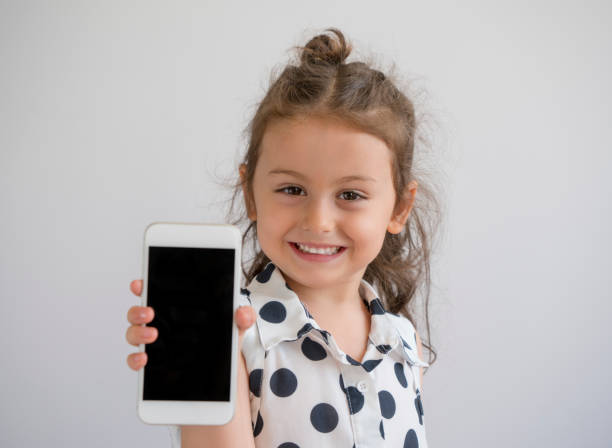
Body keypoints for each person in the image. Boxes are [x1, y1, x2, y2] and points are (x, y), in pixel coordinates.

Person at [126, 27, 441, 447]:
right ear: (250, 193)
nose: (319, 221)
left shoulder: (404, 343)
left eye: (350, 195)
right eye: (292, 190)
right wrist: (203, 360)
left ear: (400, 208)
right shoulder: (235, 340)